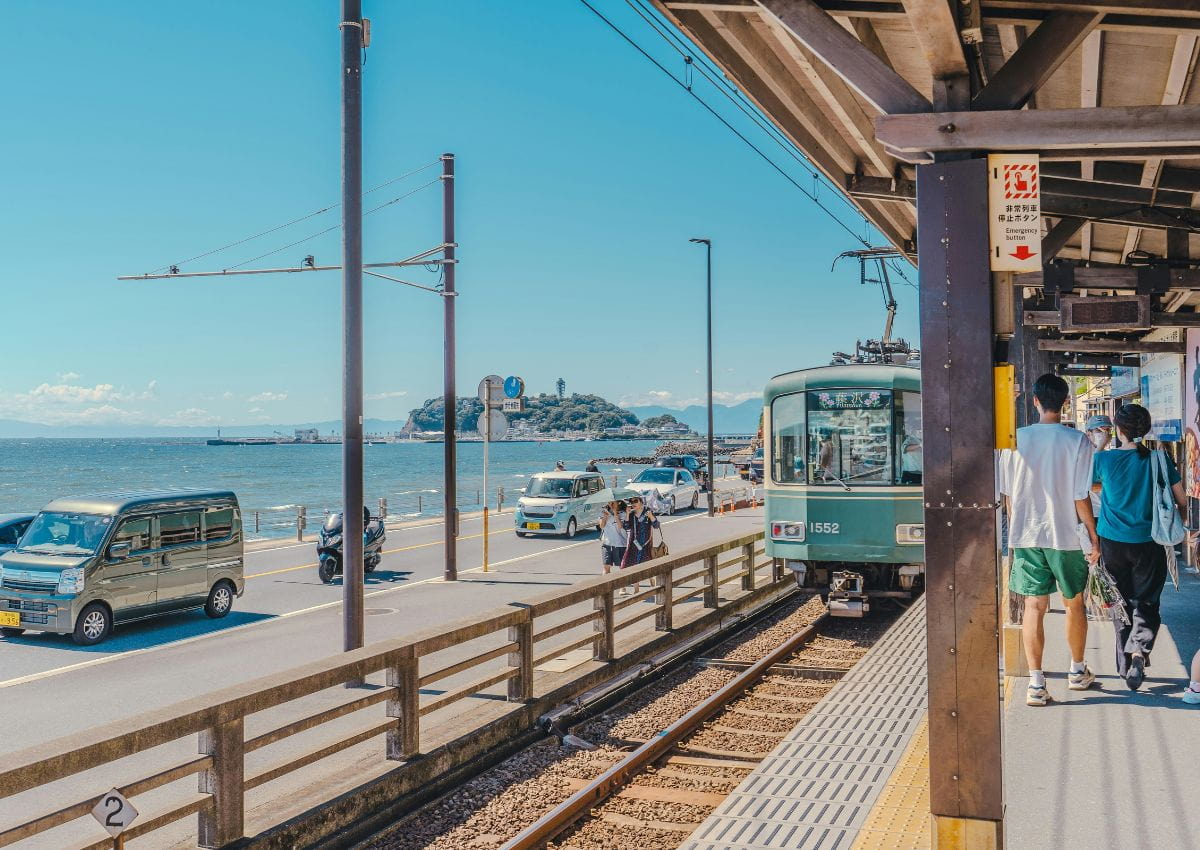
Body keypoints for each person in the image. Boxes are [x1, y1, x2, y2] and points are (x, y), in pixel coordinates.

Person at [999, 373, 1100, 707]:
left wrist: (1017, 530)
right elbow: (1080, 496)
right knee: (1074, 602)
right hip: (1066, 536)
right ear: (1066, 402)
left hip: (1026, 535)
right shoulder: (1078, 441)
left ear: (1035, 401)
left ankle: (1036, 684)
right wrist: (1093, 535)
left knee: (1033, 605)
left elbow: (1008, 495)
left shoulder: (1015, 440)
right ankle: (1077, 671)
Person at [1092, 404, 1188, 690]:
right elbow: (1181, 500)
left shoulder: (1104, 460)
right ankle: (1138, 651)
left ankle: (1125, 665)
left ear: (1118, 429)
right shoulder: (1158, 459)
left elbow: (1090, 486)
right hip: (1149, 541)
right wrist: (1179, 522)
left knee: (1119, 601)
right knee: (1146, 600)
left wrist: (1101, 446)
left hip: (1112, 542)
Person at [621, 495, 660, 596]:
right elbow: (626, 527)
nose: (633, 503)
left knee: (647, 566)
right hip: (633, 544)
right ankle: (636, 590)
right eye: (631, 501)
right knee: (633, 566)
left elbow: (656, 525)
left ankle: (652, 581)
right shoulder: (631, 514)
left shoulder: (647, 512)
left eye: (635, 501)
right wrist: (627, 514)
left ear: (641, 502)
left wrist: (651, 517)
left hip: (646, 545)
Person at [599, 500, 628, 576]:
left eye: (612, 503)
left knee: (622, 567)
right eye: (609, 503)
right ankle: (605, 583)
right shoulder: (604, 512)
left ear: (618, 503)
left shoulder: (623, 513)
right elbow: (602, 526)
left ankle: (623, 583)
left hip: (620, 543)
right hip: (607, 543)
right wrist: (605, 517)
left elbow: (620, 526)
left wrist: (615, 513)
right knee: (606, 567)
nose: (610, 504)